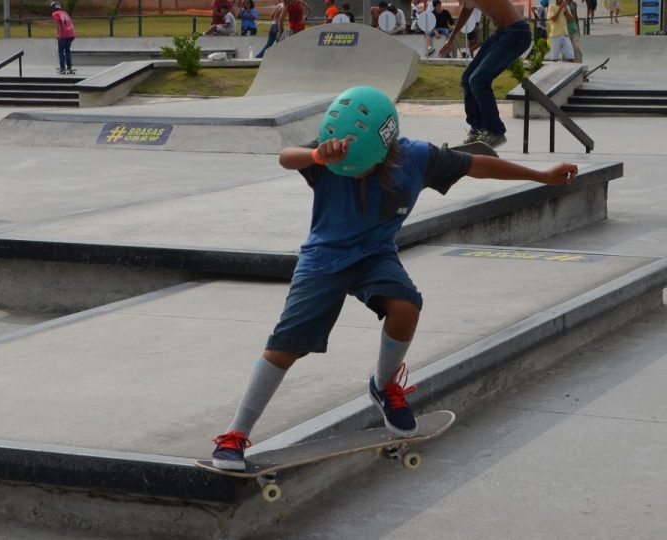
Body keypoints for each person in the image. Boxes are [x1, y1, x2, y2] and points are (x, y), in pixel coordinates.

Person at [208, 86, 578, 471]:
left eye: (362, 165)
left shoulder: (418, 156)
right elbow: (286, 157)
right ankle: (235, 435)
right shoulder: (331, 149)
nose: (352, 171)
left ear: (384, 149)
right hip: (324, 259)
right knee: (286, 345)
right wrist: (318, 154)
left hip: (375, 254)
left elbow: (478, 165)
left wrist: (541, 176)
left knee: (406, 306)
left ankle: (384, 386)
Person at [439, 0, 531, 148]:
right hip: (501, 34)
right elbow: (466, 10)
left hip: (517, 33)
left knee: (478, 80)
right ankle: (478, 130)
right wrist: (451, 39)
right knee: (467, 79)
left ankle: (495, 131)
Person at [49, 2, 75, 75]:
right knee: (67, 50)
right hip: (71, 32)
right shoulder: (65, 13)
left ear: (53, 8)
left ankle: (62, 68)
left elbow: (58, 23)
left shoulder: (55, 13)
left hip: (64, 33)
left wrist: (58, 34)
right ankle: (69, 67)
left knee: (61, 51)